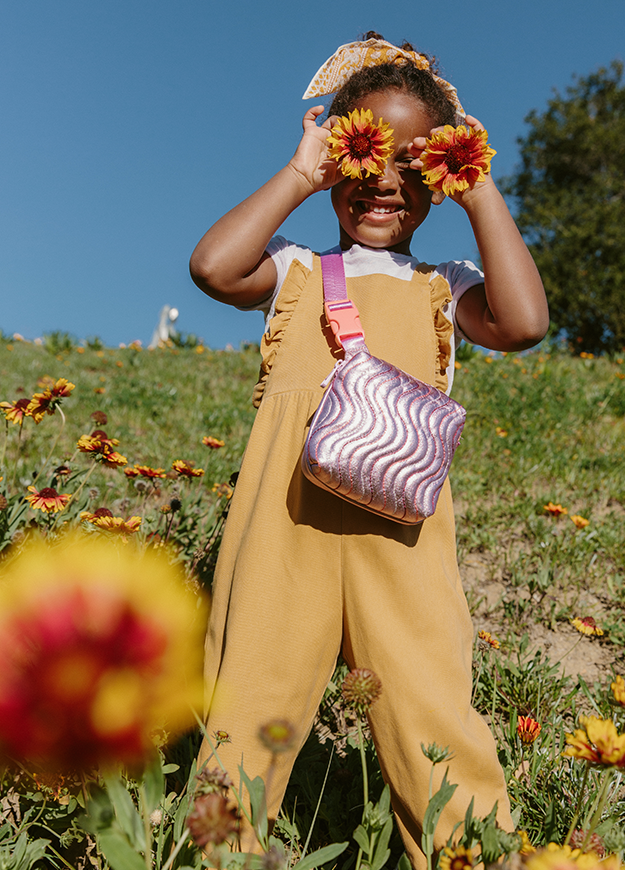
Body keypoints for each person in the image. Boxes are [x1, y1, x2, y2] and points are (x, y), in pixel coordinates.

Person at [189, 33, 548, 867]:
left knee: (431, 710)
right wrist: (299, 172)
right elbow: (212, 266)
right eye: (365, 156)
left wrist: (481, 186)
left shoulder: (445, 286)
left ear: (439, 180)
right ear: (336, 161)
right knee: (249, 701)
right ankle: (216, 853)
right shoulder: (293, 271)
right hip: (285, 528)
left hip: (404, 540)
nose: (386, 183)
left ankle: (469, 856)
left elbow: (525, 323)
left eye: (415, 169)